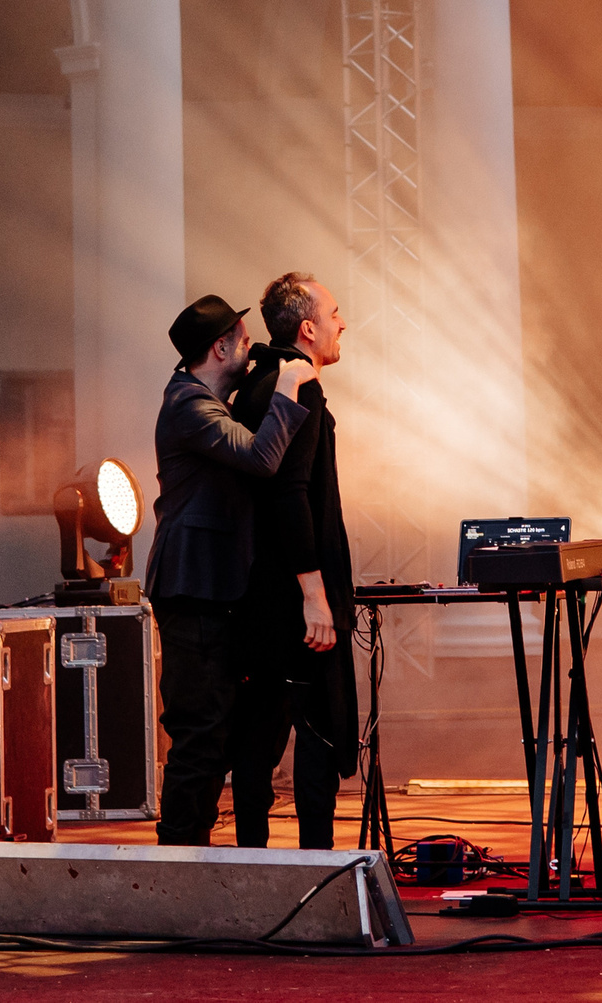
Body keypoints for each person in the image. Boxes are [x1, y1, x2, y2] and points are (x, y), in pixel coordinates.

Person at [149, 294, 315, 846]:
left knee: (215, 732)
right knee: (199, 733)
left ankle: (195, 857)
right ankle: (177, 864)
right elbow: (261, 459)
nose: (253, 348)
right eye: (244, 341)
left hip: (214, 589)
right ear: (220, 349)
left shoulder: (209, 401)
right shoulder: (188, 405)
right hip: (191, 587)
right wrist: (288, 386)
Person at [228, 272, 358, 850]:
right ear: (307, 329)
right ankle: (315, 869)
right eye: (334, 314)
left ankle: (252, 866)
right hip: (293, 599)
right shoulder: (299, 384)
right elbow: (290, 494)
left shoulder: (258, 384)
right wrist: (316, 596)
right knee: (317, 731)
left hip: (258, 595)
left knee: (258, 734)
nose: (342, 323)